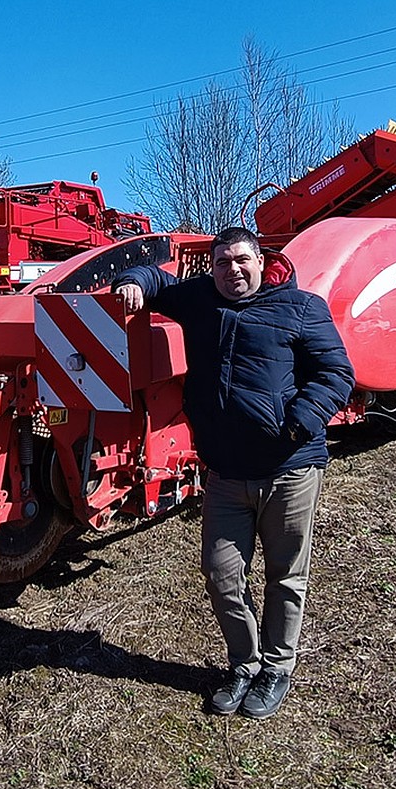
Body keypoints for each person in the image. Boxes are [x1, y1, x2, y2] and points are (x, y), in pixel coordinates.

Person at [113, 227, 354, 718]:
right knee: (222, 576)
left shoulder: (301, 307)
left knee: (286, 576)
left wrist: (297, 424)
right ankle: (244, 664)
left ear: (261, 262)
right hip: (224, 473)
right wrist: (136, 279)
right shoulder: (201, 299)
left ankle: (277, 669)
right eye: (222, 262)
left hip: (289, 469)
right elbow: (157, 280)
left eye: (241, 260)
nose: (232, 270)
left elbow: (337, 374)